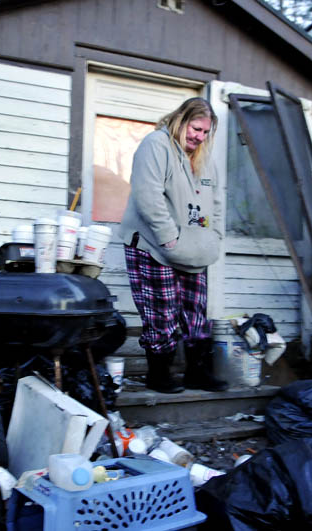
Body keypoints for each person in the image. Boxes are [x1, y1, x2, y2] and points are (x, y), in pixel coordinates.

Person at [118, 97, 228, 394]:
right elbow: (148, 195)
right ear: (181, 120)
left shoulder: (204, 158)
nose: (199, 137)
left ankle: (197, 372)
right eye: (195, 128)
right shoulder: (156, 145)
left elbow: (217, 202)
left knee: (196, 311)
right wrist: (168, 237)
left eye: (205, 132)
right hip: (154, 243)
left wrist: (215, 236)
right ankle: (159, 375)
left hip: (194, 246)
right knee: (161, 311)